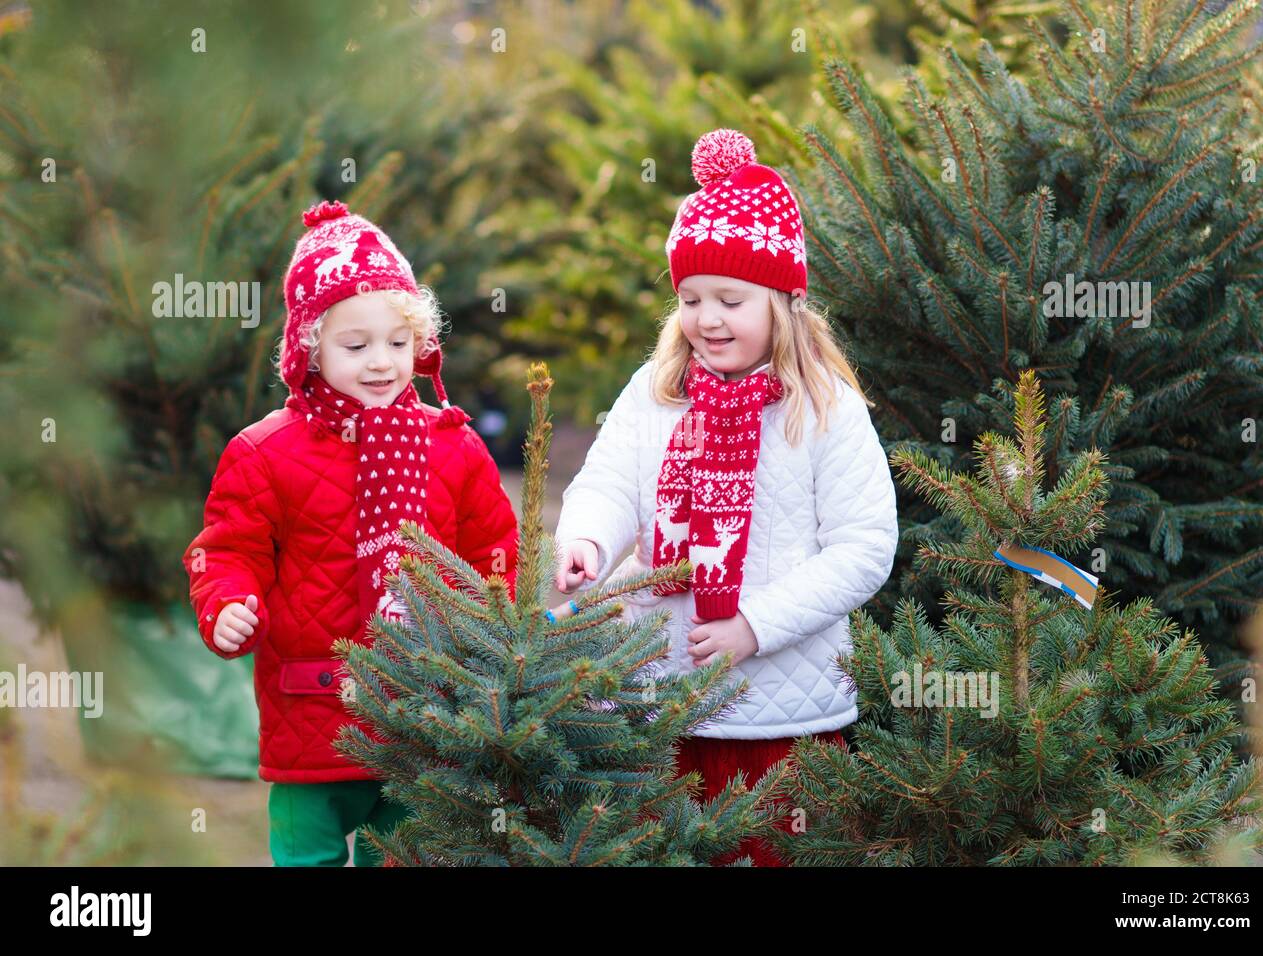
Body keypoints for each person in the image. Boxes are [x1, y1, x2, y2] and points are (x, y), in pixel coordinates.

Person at [553, 129, 898, 866]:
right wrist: (587, 538)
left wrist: (755, 625)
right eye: (691, 298)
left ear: (784, 301)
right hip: (659, 694)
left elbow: (864, 548)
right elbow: (610, 483)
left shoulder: (823, 407)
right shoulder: (657, 394)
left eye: (730, 298)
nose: (706, 318)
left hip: (781, 710)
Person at [183, 200, 518, 866]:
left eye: (397, 343)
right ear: (308, 346)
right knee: (306, 853)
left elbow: (495, 555)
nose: (381, 363)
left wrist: (496, 633)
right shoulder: (264, 453)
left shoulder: (452, 448)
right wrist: (226, 605)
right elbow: (225, 551)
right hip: (312, 713)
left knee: (407, 855)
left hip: (426, 718)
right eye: (355, 345)